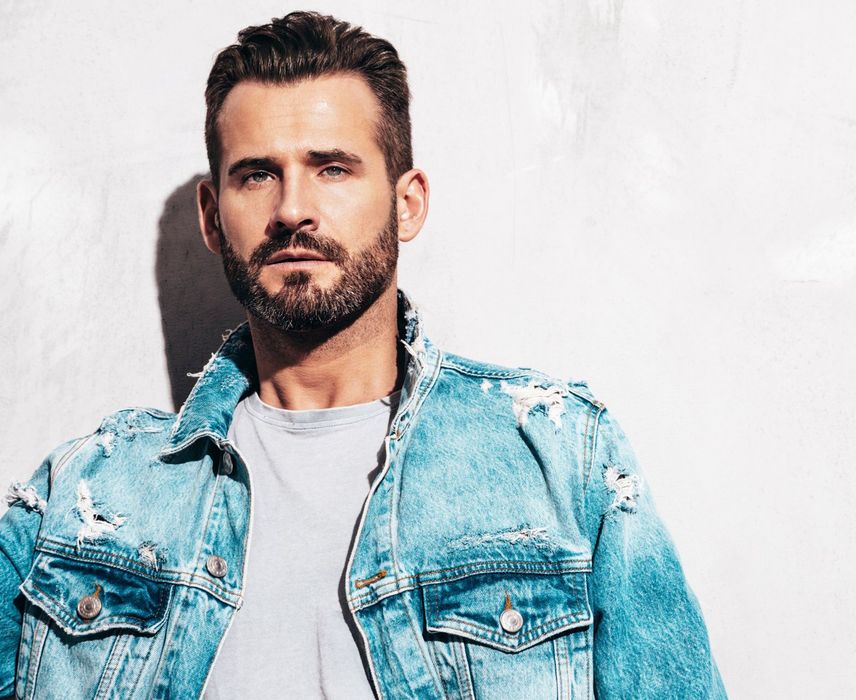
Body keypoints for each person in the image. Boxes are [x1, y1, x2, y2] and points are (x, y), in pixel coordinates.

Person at [0, 11, 726, 699]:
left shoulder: (559, 456)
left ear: (407, 203)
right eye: (257, 174)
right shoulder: (84, 497)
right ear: (213, 217)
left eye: (333, 168)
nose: (292, 209)